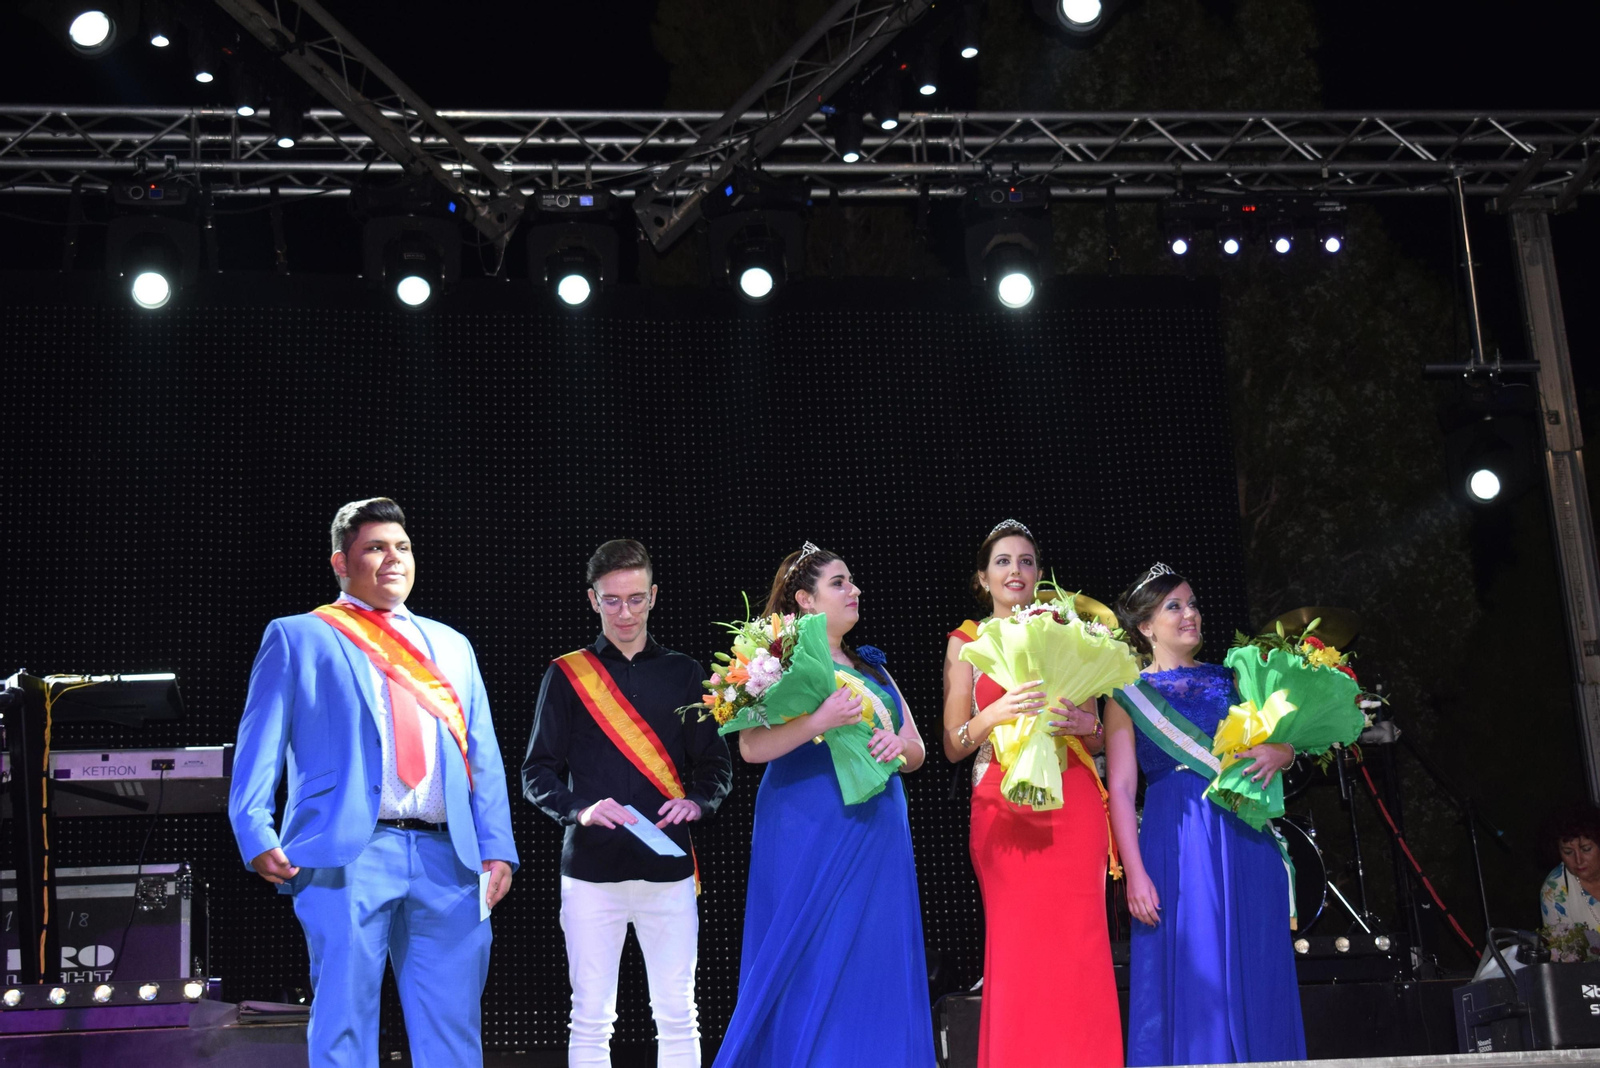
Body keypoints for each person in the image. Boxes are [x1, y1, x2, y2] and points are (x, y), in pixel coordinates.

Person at [228, 497, 518, 1068]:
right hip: (347, 852)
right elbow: (258, 742)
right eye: (375, 548)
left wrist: (497, 845)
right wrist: (253, 827)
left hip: (450, 857)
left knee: (454, 1032)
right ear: (341, 563)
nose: (393, 559)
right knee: (343, 1023)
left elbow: (481, 754)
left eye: (402, 547)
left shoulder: (452, 644)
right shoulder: (298, 635)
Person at [712, 542, 935, 1068]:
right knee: (807, 953)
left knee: (874, 954)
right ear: (807, 601)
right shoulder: (774, 663)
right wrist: (818, 721)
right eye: (840, 583)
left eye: (851, 581)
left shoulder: (873, 665)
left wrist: (896, 748)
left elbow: (918, 749)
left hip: (877, 826)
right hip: (806, 823)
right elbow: (749, 748)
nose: (854, 590)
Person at [522, 539, 733, 1068]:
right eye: (612, 600)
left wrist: (700, 803)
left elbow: (717, 765)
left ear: (654, 596)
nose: (625, 612)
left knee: (679, 1014)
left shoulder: (686, 672)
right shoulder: (567, 674)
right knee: (590, 1017)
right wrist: (580, 811)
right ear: (592, 600)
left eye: (636, 599)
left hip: (670, 867)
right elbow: (536, 772)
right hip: (591, 871)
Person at [1102, 562, 1304, 1066]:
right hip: (1176, 839)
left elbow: (1270, 746)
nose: (1190, 614)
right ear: (1146, 626)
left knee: (1257, 964)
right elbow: (1122, 790)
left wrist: (1286, 751)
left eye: (1192, 604)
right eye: (1175, 606)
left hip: (1243, 835)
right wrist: (1133, 874)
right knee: (1196, 974)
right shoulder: (1127, 696)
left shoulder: (1233, 678)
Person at [941, 519, 1121, 1068]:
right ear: (983, 578)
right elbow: (951, 744)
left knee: (1081, 942)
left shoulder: (1070, 632)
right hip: (1002, 801)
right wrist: (990, 715)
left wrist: (1077, 724)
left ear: (1039, 574)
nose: (1014, 571)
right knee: (1018, 949)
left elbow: (1097, 731)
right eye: (1002, 561)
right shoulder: (965, 643)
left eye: (1025, 561)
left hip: (1074, 799)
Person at [1540, 802, 1600, 954]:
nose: (1578, 860)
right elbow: (1564, 956)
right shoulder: (1554, 891)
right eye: (1568, 852)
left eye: (1586, 849)